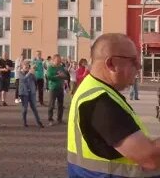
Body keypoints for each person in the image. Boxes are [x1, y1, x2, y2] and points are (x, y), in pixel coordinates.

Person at [67, 33, 160, 177]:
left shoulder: (92, 88)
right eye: (133, 61)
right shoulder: (100, 102)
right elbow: (151, 159)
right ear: (111, 64)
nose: (140, 66)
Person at [18, 61, 44, 128]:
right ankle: (24, 122)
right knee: (25, 108)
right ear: (22, 67)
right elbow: (23, 79)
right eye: (25, 66)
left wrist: (33, 73)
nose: (27, 67)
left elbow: (35, 81)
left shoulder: (31, 73)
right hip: (24, 93)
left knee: (34, 108)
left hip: (31, 93)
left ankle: (39, 122)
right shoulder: (20, 73)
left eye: (27, 66)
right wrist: (29, 73)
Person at [46, 54, 68, 126]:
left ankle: (59, 119)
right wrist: (58, 76)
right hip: (53, 88)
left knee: (60, 105)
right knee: (51, 105)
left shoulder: (61, 67)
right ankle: (50, 119)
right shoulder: (50, 68)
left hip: (60, 88)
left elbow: (66, 76)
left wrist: (63, 75)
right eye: (57, 60)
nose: (59, 62)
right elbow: (49, 77)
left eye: (60, 60)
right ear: (53, 60)